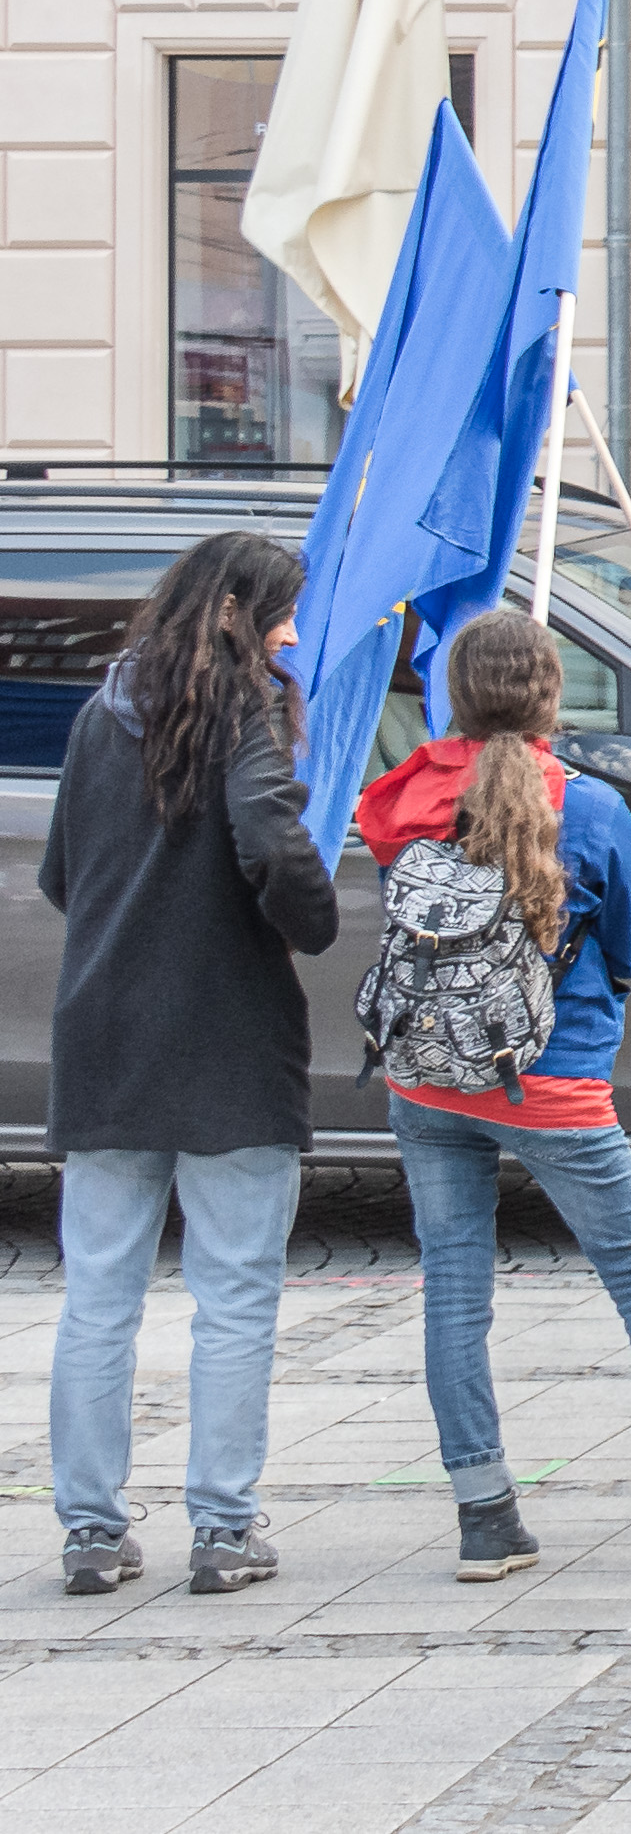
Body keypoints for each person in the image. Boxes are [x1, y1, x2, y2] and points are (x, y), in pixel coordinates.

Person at [361, 611, 631, 1576]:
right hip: (551, 1074)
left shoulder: (400, 795)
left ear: (454, 695)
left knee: (454, 1289)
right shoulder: (589, 807)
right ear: (551, 696)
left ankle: (485, 1515)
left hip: (426, 1072)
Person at [42, 531, 335, 1599]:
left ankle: (89, 1531)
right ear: (229, 612)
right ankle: (222, 1527)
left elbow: (61, 873)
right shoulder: (245, 711)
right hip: (230, 1035)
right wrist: (308, 920)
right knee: (236, 1295)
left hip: (106, 1033)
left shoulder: (100, 711)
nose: (290, 633)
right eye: (279, 612)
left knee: (98, 1297)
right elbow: (269, 836)